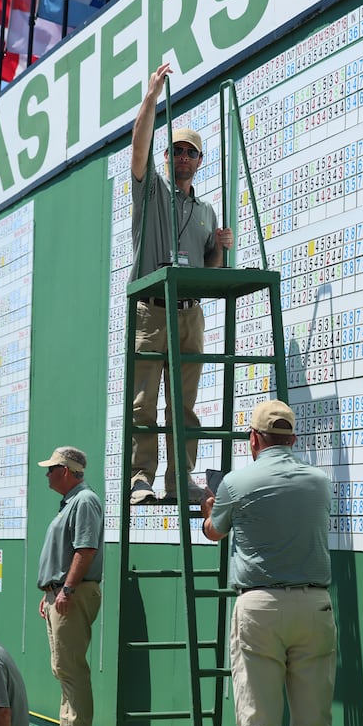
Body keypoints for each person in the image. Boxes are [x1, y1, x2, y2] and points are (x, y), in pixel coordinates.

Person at [200, 400, 337, 726]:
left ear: (253, 440)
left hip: (259, 606)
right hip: (316, 604)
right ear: (293, 439)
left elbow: (214, 532)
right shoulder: (320, 481)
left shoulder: (239, 481)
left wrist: (211, 507)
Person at [129, 62, 234, 505]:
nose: (183, 157)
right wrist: (151, 100)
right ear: (167, 157)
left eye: (191, 152)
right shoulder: (151, 189)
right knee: (143, 403)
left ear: (199, 161)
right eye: (176, 151)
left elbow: (210, 275)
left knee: (185, 406)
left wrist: (221, 248)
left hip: (191, 312)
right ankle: (141, 477)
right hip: (152, 309)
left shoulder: (206, 211)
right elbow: (137, 153)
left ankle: (179, 477)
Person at [35, 447, 103, 726]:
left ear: (65, 470)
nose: (46, 473)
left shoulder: (84, 500)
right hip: (60, 593)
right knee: (62, 667)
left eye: (51, 468)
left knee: (71, 666)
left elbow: (85, 550)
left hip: (72, 594)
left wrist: (67, 590)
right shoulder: (71, 502)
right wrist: (49, 592)